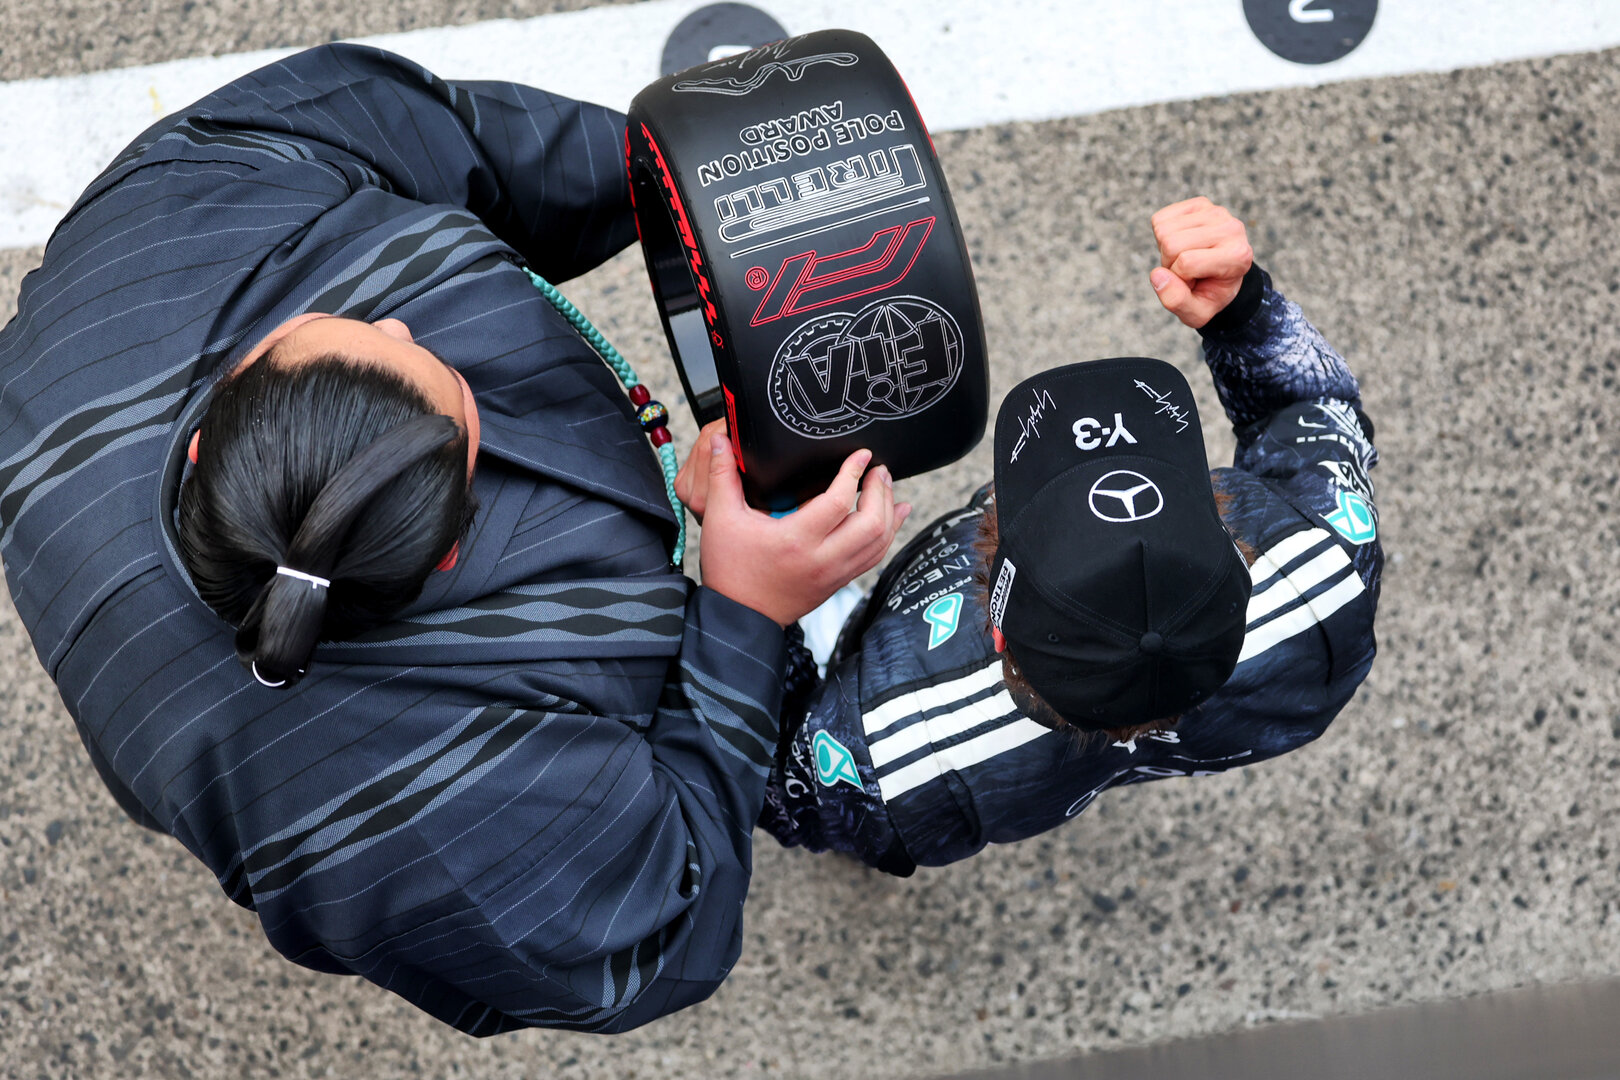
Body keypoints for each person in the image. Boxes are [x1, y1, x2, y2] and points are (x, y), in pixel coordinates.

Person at [0, 43, 907, 1034]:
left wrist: (694, 183)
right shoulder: (428, 829)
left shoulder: (166, 225)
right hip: (257, 758)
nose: (395, 324)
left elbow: (450, 137)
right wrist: (743, 612)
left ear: (226, 411)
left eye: (362, 330)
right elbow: (659, 936)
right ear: (447, 549)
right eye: (435, 374)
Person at [682, 197, 1383, 875]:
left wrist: (751, 608)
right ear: (1235, 554)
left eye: (1027, 505)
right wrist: (1244, 314)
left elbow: (782, 789)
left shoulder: (887, 749)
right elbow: (1316, 407)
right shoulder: (1330, 568)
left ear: (995, 628)